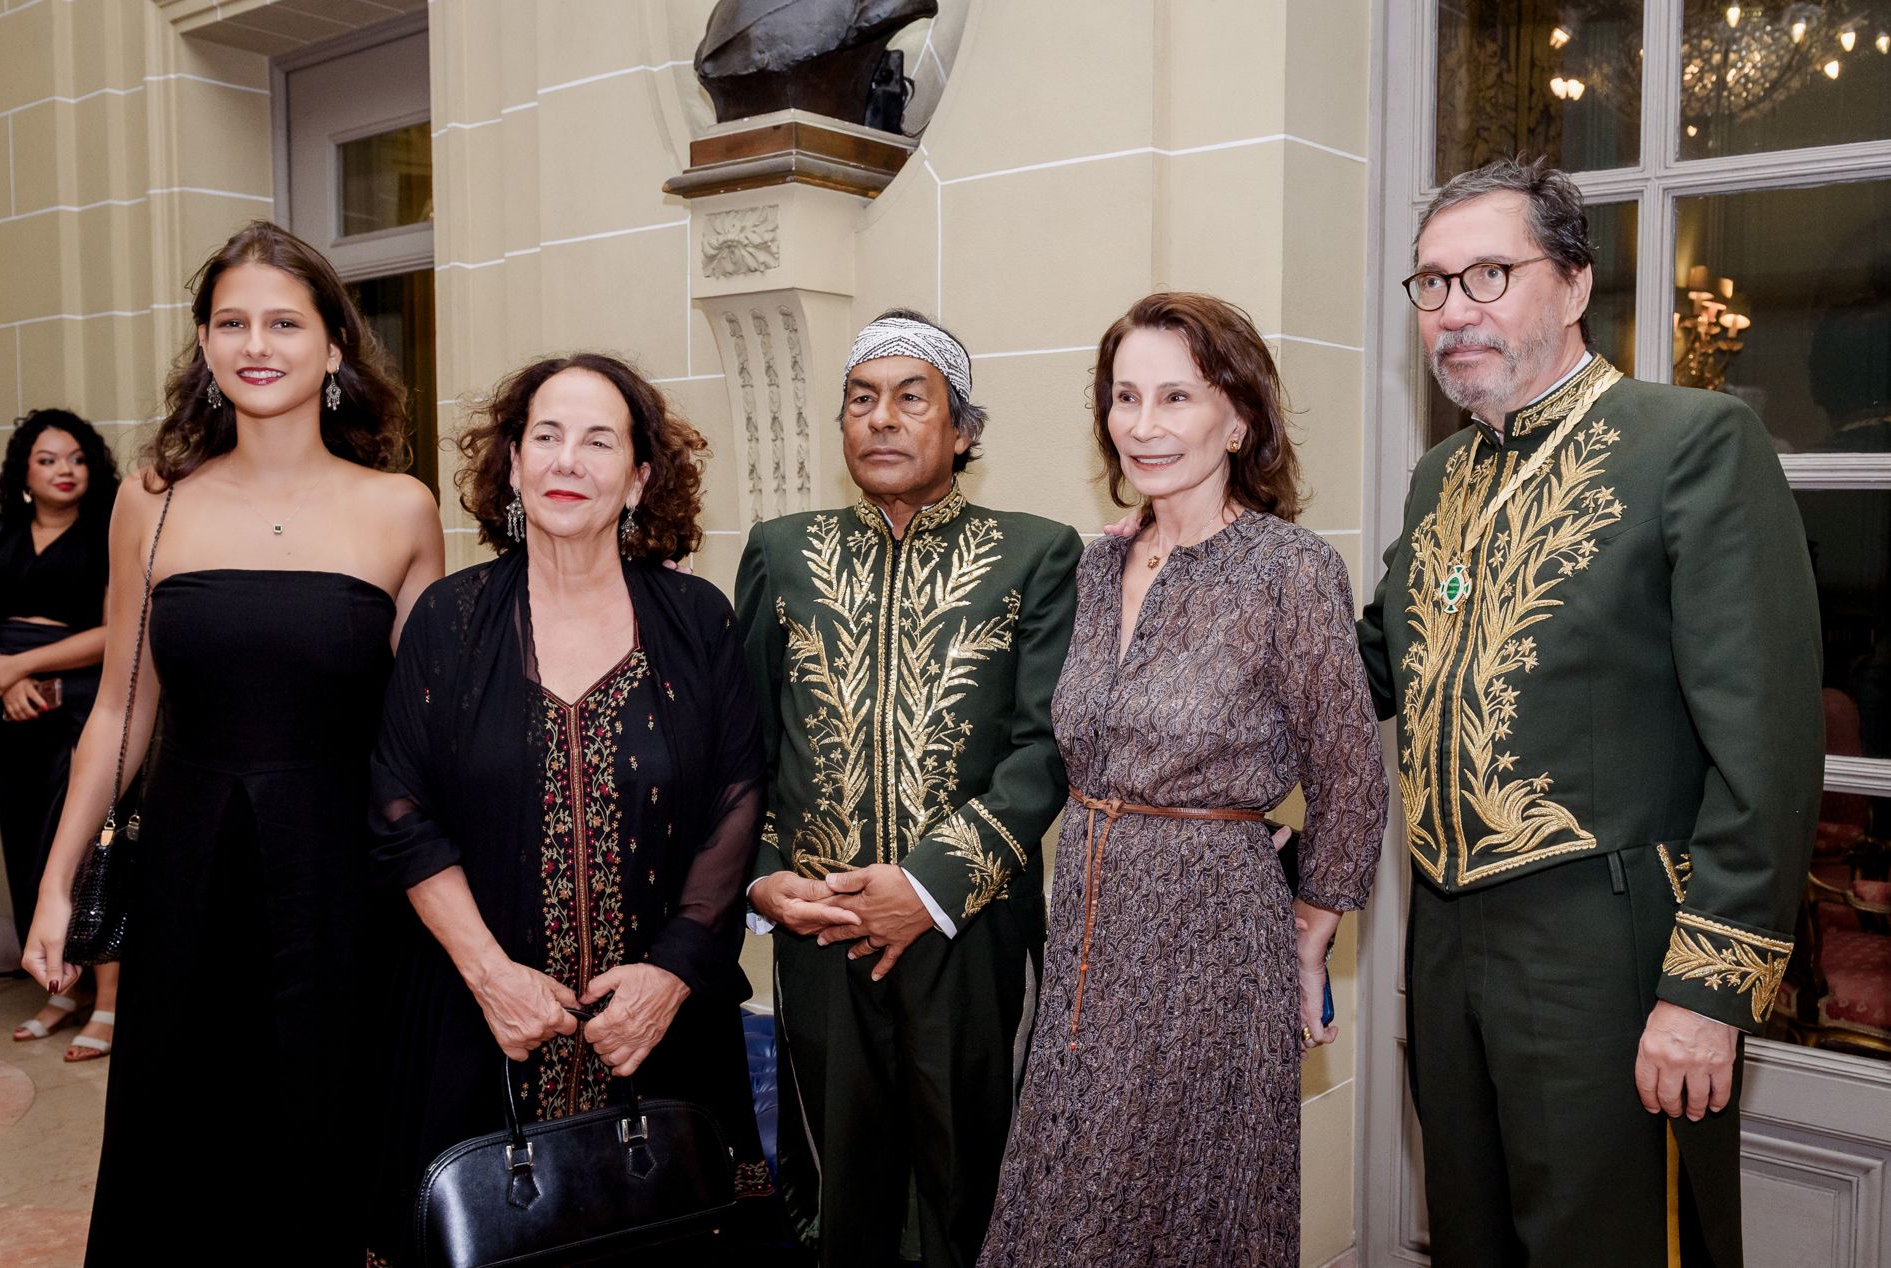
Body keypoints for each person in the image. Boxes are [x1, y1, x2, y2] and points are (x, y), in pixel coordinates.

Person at [1358, 157, 1823, 1266]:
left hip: (1611, 947)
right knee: (1472, 1236)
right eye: (1430, 285)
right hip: (1448, 940)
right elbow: (1370, 666)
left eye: (1487, 274)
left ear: (1571, 283)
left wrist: (1706, 990)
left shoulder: (1691, 445)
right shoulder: (1439, 478)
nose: (1453, 310)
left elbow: (1765, 745)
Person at [22, 220, 444, 1264]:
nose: (257, 342)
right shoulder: (151, 504)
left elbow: (424, 734)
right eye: (232, 321)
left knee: (324, 1133)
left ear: (335, 346)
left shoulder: (399, 509)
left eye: (285, 322)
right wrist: (55, 878)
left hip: (344, 878)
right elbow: (122, 709)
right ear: (205, 345)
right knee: (181, 1138)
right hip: (186, 866)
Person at [977, 293, 1387, 1268]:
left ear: (1237, 418)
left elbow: (1350, 775)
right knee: (1056, 1201)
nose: (1144, 424)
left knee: (1184, 1212)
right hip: (1083, 926)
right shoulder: (1093, 562)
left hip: (1211, 940)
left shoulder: (1289, 569)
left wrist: (1310, 925)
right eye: (1125, 396)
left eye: (1175, 396)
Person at [367, 353, 775, 1263]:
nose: (567, 461)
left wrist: (671, 974)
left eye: (599, 442)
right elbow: (399, 806)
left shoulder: (697, 620)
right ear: (511, 465)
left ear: (637, 480)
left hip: (661, 1036)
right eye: (545, 437)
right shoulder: (449, 618)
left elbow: (738, 798)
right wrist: (490, 976)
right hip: (475, 1027)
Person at [736, 309, 1082, 1268]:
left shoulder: (1038, 553)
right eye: (861, 398)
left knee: (973, 1183)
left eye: (910, 398)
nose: (881, 419)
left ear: (962, 431)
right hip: (817, 926)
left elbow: (1044, 748)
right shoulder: (780, 550)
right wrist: (764, 877)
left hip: (968, 926)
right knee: (837, 1194)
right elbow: (743, 745)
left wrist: (925, 888)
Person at [0, 409, 121, 1058]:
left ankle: (109, 1000)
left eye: (75, 457)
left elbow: (115, 634)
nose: (64, 470)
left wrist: (21, 666)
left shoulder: (106, 533)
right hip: (10, 712)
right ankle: (59, 987)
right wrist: (4, 679)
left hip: (80, 703)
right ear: (23, 472)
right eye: (48, 459)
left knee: (84, 846)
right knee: (26, 844)